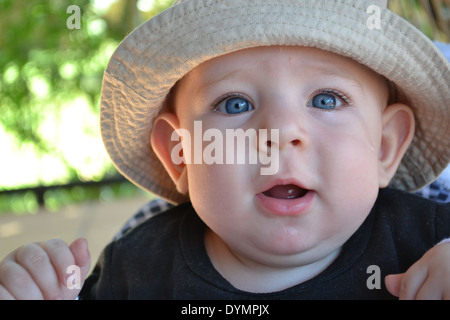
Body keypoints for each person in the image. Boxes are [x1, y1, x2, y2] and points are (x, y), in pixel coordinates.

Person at [0, 0, 449, 300]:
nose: (280, 133)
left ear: (385, 146)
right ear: (180, 153)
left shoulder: (429, 244)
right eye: (235, 104)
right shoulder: (137, 270)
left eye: (326, 99)